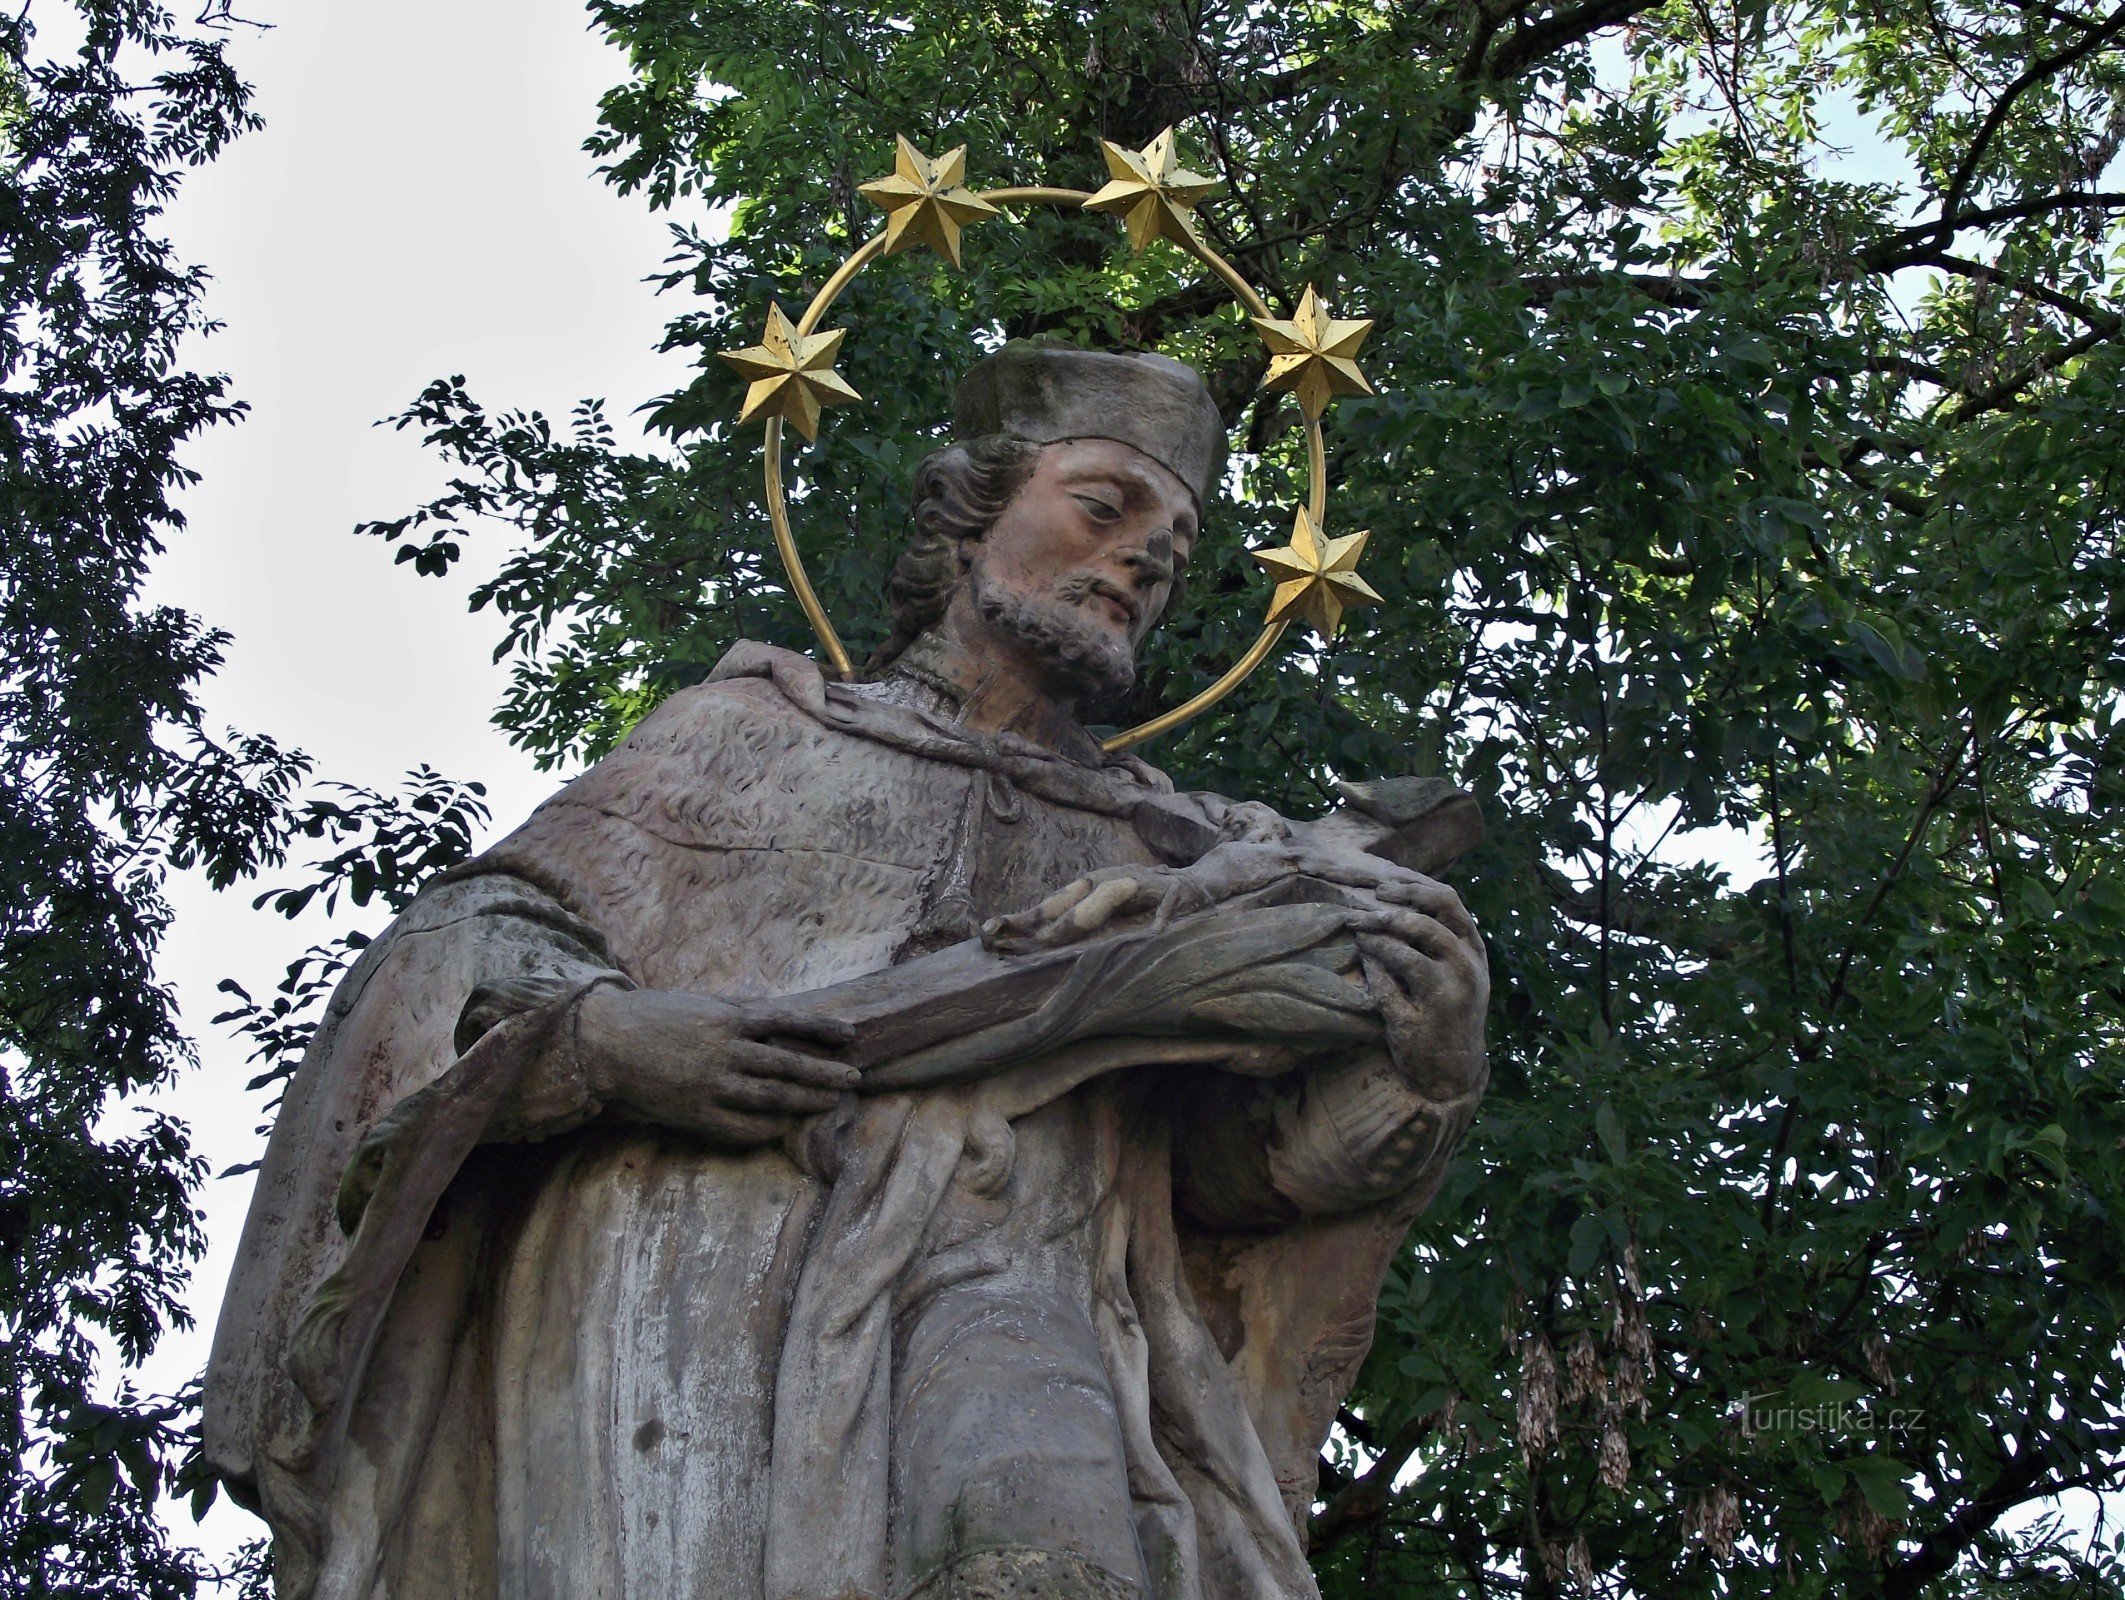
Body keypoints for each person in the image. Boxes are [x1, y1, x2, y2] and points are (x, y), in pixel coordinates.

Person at [203, 343, 1489, 1600]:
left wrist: (1419, 1075)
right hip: (685, 1255)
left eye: (1176, 544)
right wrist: (610, 1042)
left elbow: (1223, 1180)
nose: (1147, 557)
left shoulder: (1178, 851)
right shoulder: (751, 733)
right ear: (968, 518)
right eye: (1104, 507)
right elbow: (468, 942)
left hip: (1023, 1269)